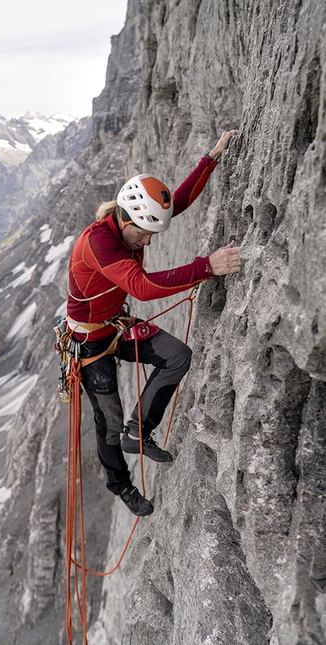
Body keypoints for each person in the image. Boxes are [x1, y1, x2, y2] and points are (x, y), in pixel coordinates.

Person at [66, 131, 240, 517]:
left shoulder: (129, 225)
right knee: (108, 420)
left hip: (115, 327)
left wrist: (209, 159)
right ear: (125, 218)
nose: (146, 243)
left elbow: (173, 204)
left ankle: (139, 431)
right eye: (143, 234)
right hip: (90, 343)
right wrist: (206, 267)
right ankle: (121, 485)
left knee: (177, 356)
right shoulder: (99, 244)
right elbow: (142, 288)